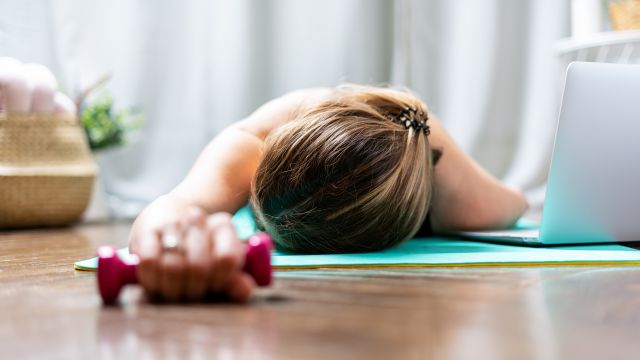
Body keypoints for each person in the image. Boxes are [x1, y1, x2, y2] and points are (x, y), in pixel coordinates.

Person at [0, 58, 528, 302]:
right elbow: (170, 209)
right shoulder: (247, 147)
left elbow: (512, 206)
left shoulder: (435, 155)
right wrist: (173, 244)